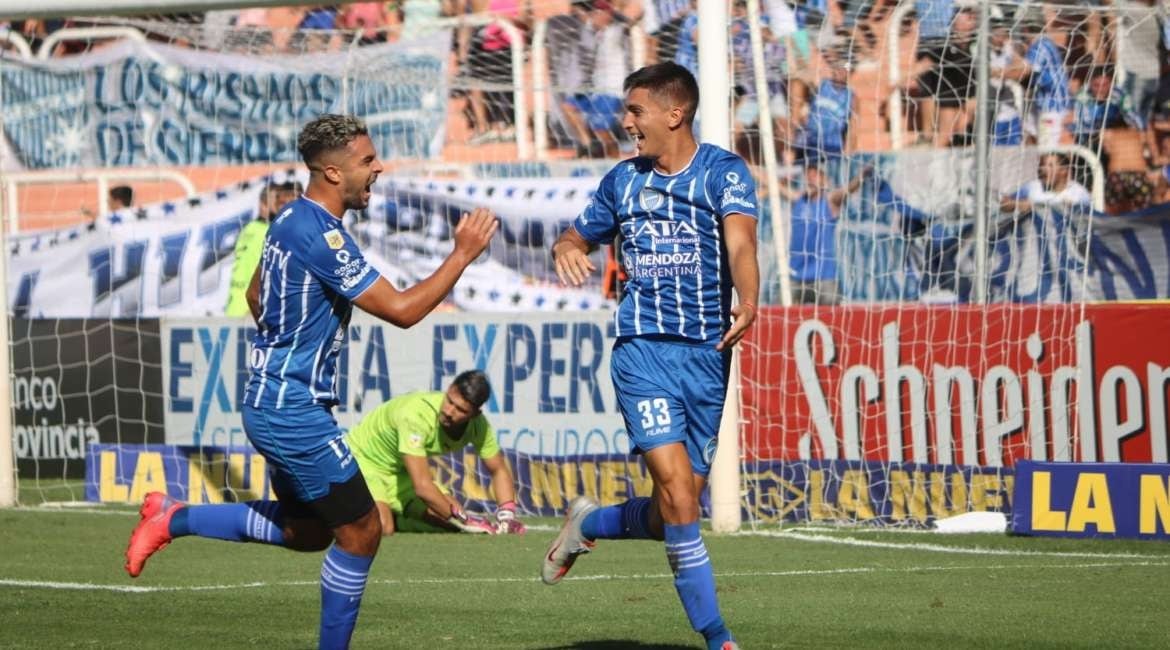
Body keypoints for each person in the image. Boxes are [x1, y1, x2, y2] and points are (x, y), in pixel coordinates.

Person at [124, 114, 498, 650]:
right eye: (367, 161)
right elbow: (401, 310)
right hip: (291, 410)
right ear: (331, 171)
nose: (378, 168)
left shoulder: (290, 219)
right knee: (364, 530)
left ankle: (171, 516)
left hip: (274, 399)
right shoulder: (322, 236)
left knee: (309, 532)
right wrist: (461, 254)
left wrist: (289, 347)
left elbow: (257, 295)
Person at [542, 62, 757, 650]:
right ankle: (719, 638)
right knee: (682, 497)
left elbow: (740, 242)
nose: (627, 121)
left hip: (707, 358)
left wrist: (750, 296)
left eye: (636, 110)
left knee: (672, 510)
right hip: (642, 354)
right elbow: (577, 234)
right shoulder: (622, 181)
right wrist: (566, 247)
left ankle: (590, 523)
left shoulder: (723, 172)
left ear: (674, 113)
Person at [345, 370, 526, 536]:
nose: (449, 411)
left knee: (452, 519)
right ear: (449, 390)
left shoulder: (479, 427)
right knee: (383, 527)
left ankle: (399, 518)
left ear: (475, 414)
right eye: (449, 400)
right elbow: (423, 487)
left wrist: (507, 515)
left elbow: (498, 469)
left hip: (399, 473)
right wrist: (467, 521)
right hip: (363, 461)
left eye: (461, 410)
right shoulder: (416, 414)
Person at [781, 160, 870, 305]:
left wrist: (862, 175)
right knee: (780, 306)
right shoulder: (798, 200)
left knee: (832, 308)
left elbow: (847, 190)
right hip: (796, 274)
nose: (810, 179)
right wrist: (748, 167)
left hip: (823, 274)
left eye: (815, 176)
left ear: (824, 181)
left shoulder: (829, 202)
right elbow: (773, 184)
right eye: (808, 176)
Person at [225, 181, 300, 317]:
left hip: (235, 307)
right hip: (251, 311)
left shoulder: (249, 229)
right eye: (277, 201)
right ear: (263, 204)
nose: (281, 205)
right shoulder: (268, 232)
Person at [1000, 152, 1091, 215]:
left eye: (1050, 165)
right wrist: (1017, 204)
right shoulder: (1032, 186)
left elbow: (1084, 220)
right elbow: (1004, 204)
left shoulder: (1079, 193)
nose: (1043, 169)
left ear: (1064, 170)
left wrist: (1032, 206)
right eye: (1042, 165)